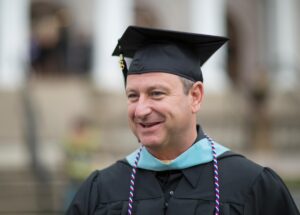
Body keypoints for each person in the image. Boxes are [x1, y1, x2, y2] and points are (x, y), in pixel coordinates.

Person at [66, 26, 299, 215]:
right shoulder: (100, 190)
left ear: (195, 97)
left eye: (156, 93)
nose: (141, 110)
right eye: (133, 96)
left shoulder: (252, 186)